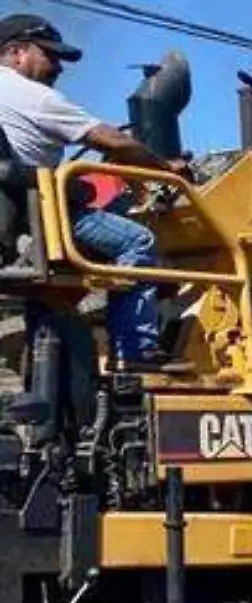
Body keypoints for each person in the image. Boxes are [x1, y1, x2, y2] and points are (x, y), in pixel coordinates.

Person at [0, 14, 191, 373]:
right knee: (139, 242)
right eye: (50, 55)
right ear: (16, 52)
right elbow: (111, 138)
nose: (58, 66)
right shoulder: (33, 96)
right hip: (44, 215)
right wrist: (166, 168)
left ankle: (51, 371)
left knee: (57, 293)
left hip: (20, 219)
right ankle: (135, 349)